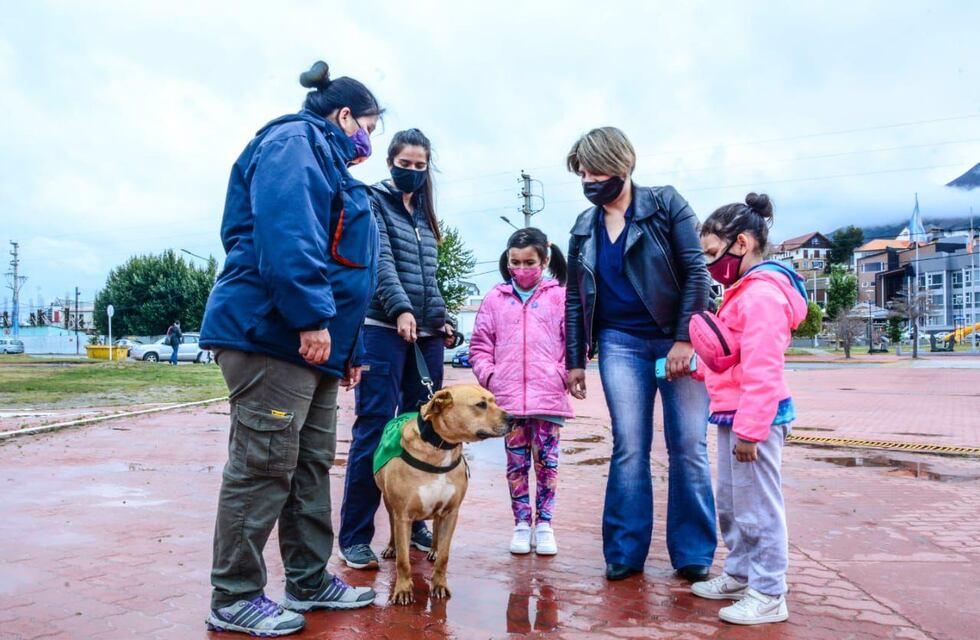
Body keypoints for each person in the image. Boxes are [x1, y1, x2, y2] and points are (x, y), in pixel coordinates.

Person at [198, 60, 382, 637]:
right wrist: (308, 317)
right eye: (368, 128)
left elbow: (345, 264)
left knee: (306, 466)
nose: (367, 141)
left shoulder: (327, 158)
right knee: (262, 468)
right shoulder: (294, 140)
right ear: (344, 114)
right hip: (273, 334)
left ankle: (306, 578)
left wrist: (344, 348)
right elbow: (288, 232)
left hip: (316, 347)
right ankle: (234, 596)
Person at [564, 127, 716, 582]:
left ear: (623, 165)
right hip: (620, 343)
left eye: (596, 170)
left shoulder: (666, 203)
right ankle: (625, 552)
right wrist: (575, 358)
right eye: (582, 173)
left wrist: (686, 338)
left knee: (688, 445)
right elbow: (576, 298)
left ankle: (693, 553)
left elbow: (696, 271)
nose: (589, 180)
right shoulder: (582, 227)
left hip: (676, 339)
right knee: (629, 445)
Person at [338, 128, 456, 570]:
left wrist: (439, 317)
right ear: (390, 162)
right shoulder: (374, 202)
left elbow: (430, 278)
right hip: (383, 328)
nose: (411, 172)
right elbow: (381, 263)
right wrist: (402, 310)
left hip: (424, 334)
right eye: (404, 164)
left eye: (419, 167)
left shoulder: (426, 217)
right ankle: (354, 535)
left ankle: (415, 523)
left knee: (425, 429)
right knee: (375, 428)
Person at [690, 193, 807, 625]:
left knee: (758, 507)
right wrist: (691, 366)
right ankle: (741, 574)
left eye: (712, 253)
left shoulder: (761, 296)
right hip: (731, 413)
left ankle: (769, 591)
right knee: (733, 503)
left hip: (753, 419)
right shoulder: (740, 293)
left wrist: (751, 431)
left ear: (741, 243)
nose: (709, 264)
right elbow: (732, 360)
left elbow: (763, 368)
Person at [469, 228, 573, 556]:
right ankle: (520, 523)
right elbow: (480, 345)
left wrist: (562, 373)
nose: (522, 268)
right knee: (515, 466)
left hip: (548, 399)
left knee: (547, 464)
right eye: (515, 262)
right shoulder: (495, 299)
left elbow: (574, 343)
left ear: (544, 260)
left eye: (530, 262)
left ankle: (545, 525)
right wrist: (491, 376)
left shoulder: (560, 296)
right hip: (508, 403)